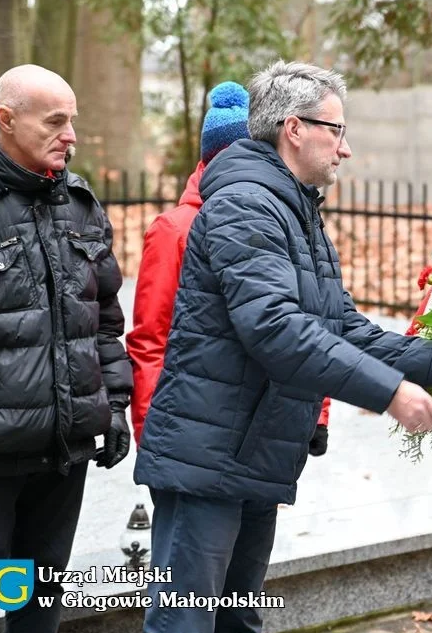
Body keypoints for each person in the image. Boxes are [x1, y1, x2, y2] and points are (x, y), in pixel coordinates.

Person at [133, 60, 432, 633]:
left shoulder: (295, 209)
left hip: (253, 456)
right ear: (294, 128)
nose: (347, 148)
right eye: (336, 130)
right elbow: (276, 328)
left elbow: (342, 326)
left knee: (235, 630)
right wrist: (389, 394)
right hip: (207, 465)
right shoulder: (246, 204)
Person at [0, 64, 132, 633]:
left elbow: (102, 317)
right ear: (6, 120)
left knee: (43, 588)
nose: (70, 134)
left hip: (64, 448)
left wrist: (113, 405)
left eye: (73, 120)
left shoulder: (79, 203)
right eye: (56, 121)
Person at [126, 81, 333, 451]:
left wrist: (317, 412)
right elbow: (151, 338)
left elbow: (309, 321)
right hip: (193, 430)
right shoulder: (173, 231)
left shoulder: (285, 220)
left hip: (268, 427)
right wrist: (150, 429)